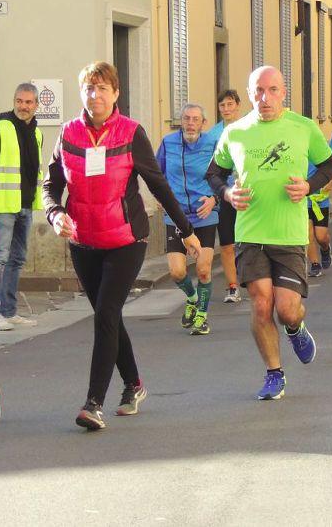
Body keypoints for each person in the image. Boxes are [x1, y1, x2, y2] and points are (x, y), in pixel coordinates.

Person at [43, 62, 201, 430]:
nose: (94, 95)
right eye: (88, 88)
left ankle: (93, 402)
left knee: (104, 314)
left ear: (116, 93)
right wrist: (54, 216)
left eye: (102, 88)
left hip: (126, 239)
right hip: (83, 240)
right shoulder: (68, 133)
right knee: (107, 314)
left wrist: (186, 229)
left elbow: (157, 183)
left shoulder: (131, 133)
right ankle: (134, 384)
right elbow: (49, 185)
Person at [205, 66, 332, 400]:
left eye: (273, 90)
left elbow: (329, 166)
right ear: (250, 94)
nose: (265, 98)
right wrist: (226, 194)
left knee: (286, 309)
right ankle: (274, 373)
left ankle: (295, 327)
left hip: (290, 235)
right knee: (262, 306)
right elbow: (214, 173)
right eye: (259, 91)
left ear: (283, 92)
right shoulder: (235, 132)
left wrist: (308, 186)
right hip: (251, 233)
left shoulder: (303, 127)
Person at [0, 83, 43, 331]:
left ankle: (9, 311)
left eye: (28, 102)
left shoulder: (37, 133)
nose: (23, 106)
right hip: (2, 205)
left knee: (17, 259)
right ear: (14, 101)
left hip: (25, 205)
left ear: (36, 105)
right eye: (19, 101)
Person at [156, 103, 218, 336]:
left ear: (204, 123)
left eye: (195, 119)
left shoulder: (213, 144)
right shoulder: (168, 143)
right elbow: (155, 173)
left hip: (204, 215)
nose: (190, 123)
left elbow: (228, 175)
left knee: (203, 270)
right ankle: (192, 298)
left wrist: (214, 199)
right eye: (186, 118)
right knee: (177, 272)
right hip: (176, 215)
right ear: (180, 121)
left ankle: (201, 316)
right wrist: (159, 197)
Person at [211, 90, 243, 303]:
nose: (226, 109)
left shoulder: (248, 129)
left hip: (247, 193)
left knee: (248, 240)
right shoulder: (212, 135)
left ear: (238, 105)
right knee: (226, 242)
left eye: (230, 104)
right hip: (224, 194)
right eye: (222, 105)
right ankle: (232, 286)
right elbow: (210, 168)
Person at [306, 161, 332, 277]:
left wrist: (329, 185)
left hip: (320, 200)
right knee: (307, 234)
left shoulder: (318, 148)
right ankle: (315, 264)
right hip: (303, 200)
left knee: (321, 237)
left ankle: (325, 248)